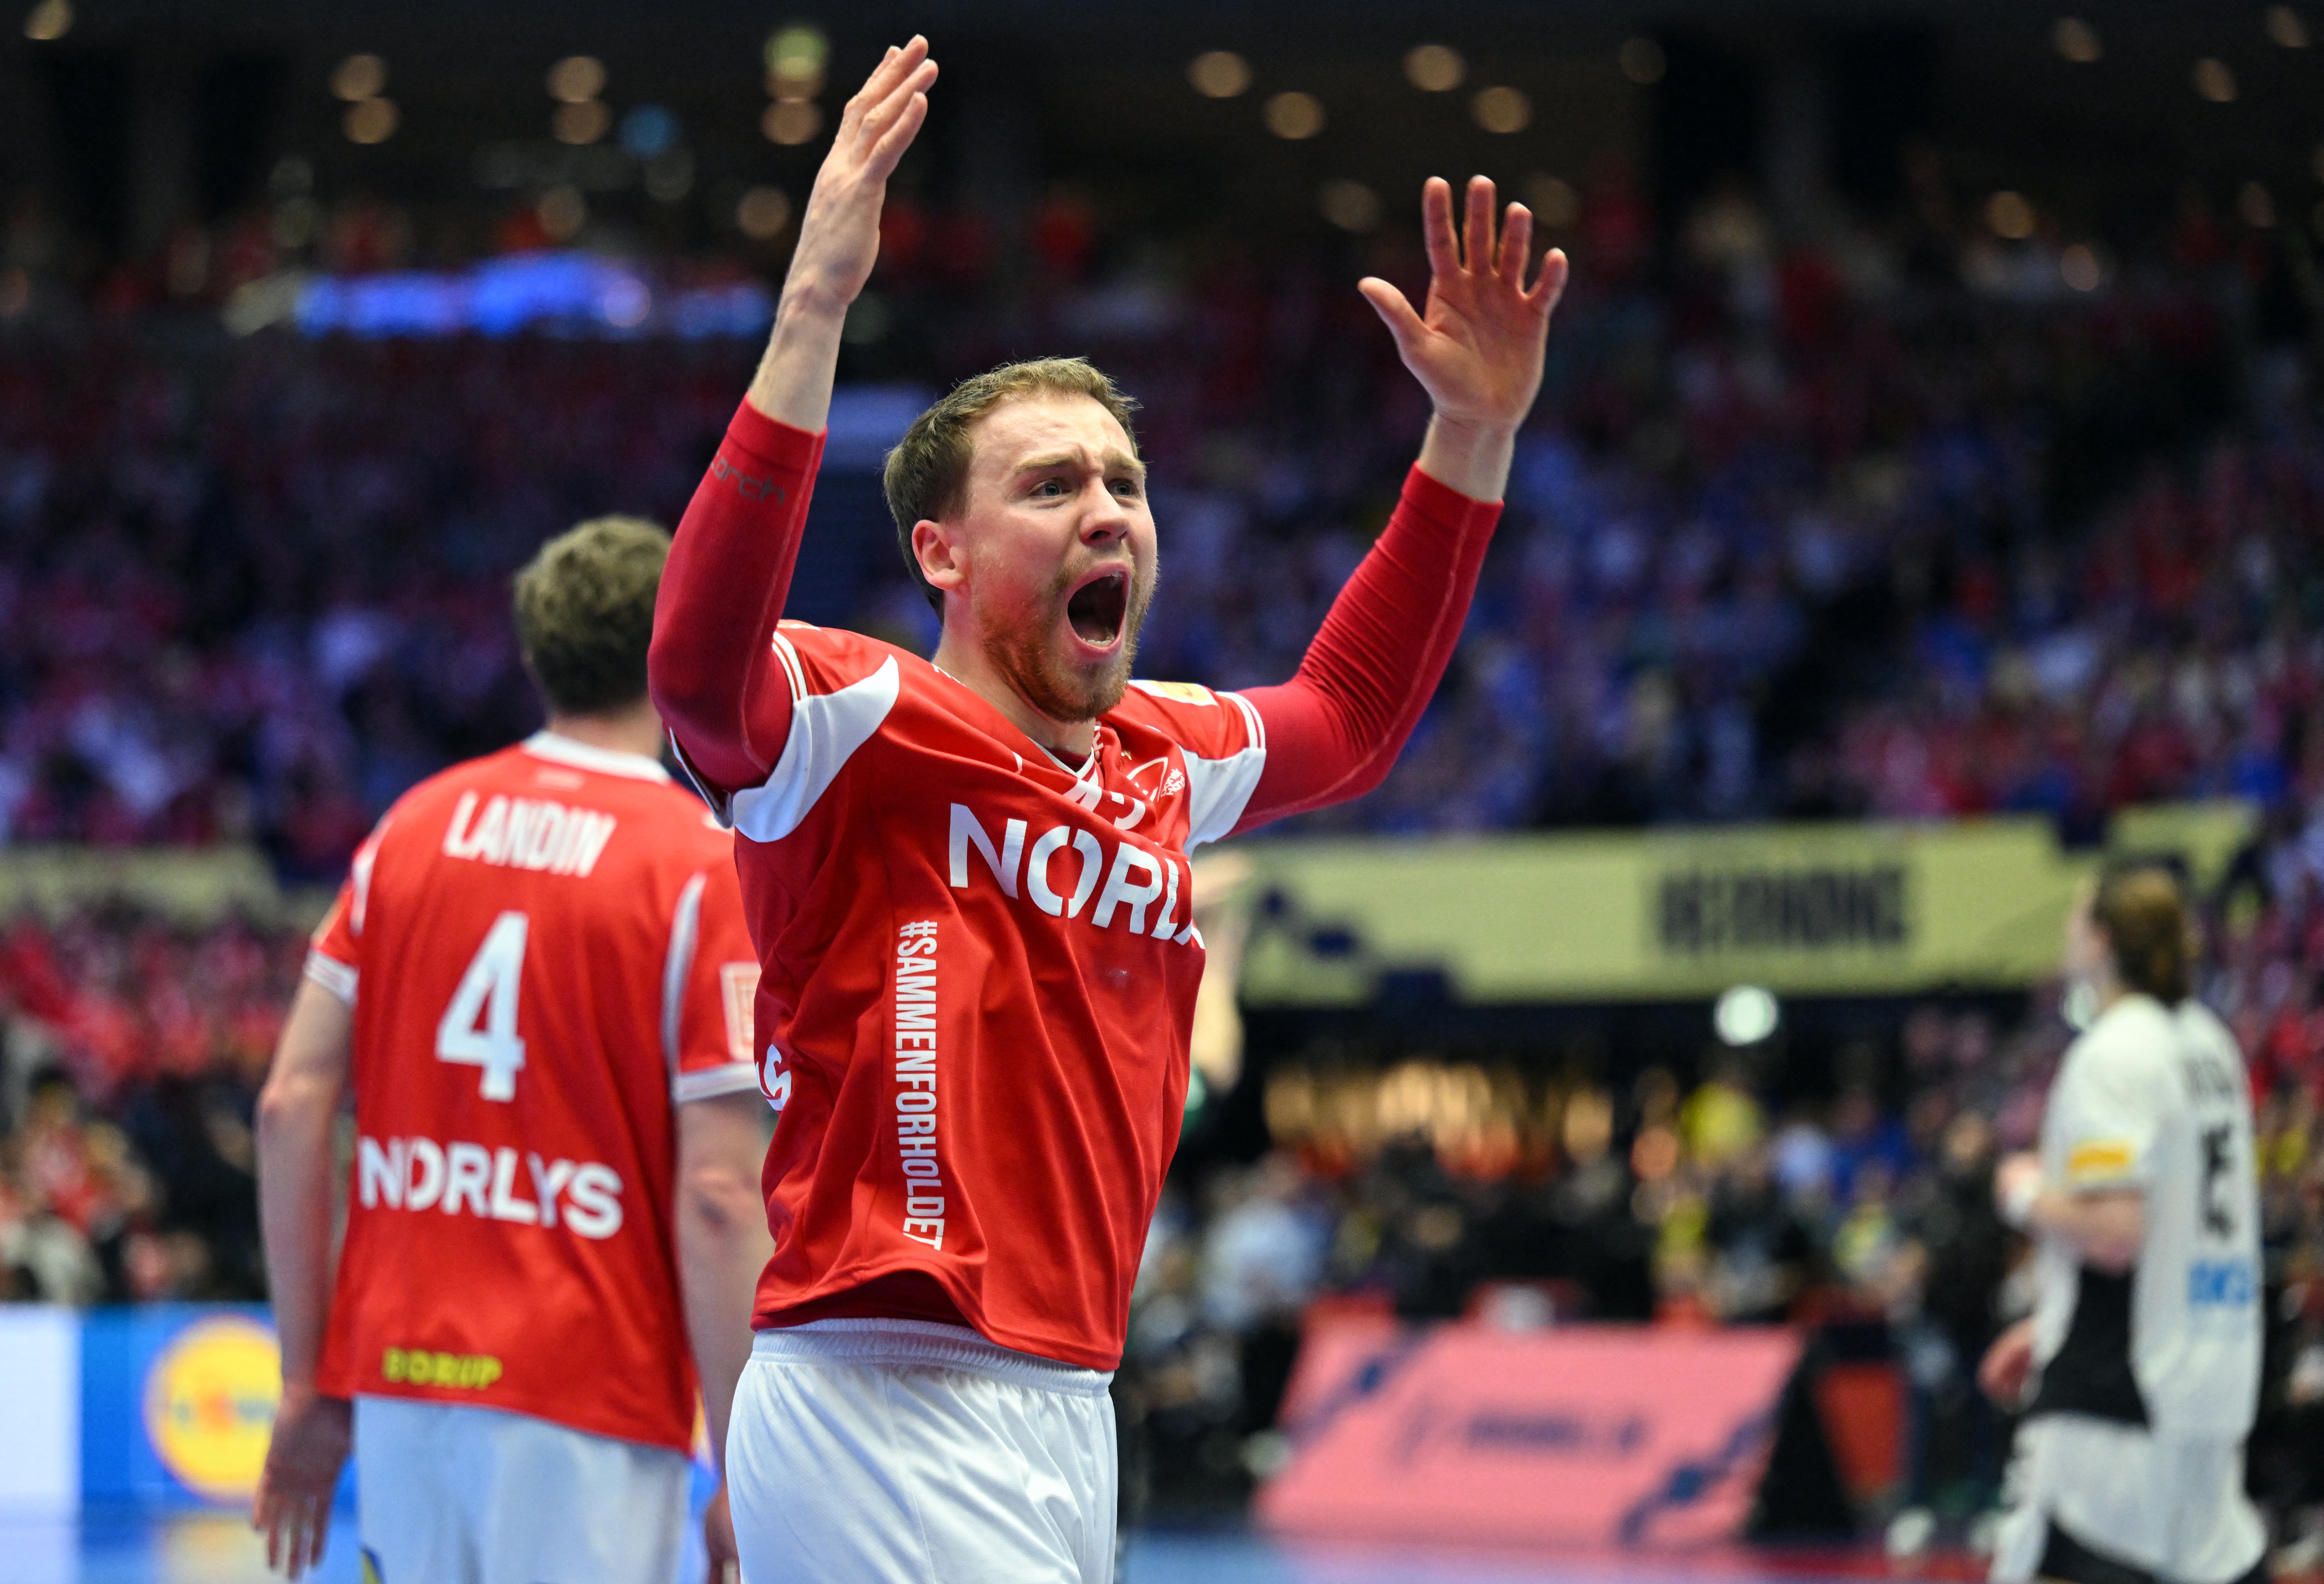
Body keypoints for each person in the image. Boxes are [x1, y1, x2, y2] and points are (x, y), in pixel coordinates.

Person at [648, 35, 1567, 1583]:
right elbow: (692, 671)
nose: (1108, 512)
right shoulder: (853, 721)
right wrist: (812, 306)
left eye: (1125, 483)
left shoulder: (1157, 753)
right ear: (940, 552)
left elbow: (1348, 719)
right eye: (1052, 484)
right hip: (879, 1380)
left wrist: (1469, 436)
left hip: (1072, 1396)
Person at [251, 518, 773, 1583]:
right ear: (682, 647)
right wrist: (745, 1463)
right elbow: (722, 1194)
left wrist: (308, 1382)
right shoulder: (698, 868)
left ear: (535, 655)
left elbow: (290, 1103)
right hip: (587, 1396)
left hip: (404, 1378)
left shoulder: (409, 828)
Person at [1979, 866, 2266, 1584]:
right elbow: (2179, 1219)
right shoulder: (2210, 1043)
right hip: (2212, 1372)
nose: (2066, 931)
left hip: (2121, 1389)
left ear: (2102, 941)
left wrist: (2022, 1193)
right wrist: (2051, 1321)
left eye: (2076, 918)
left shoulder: (2114, 1051)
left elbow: (2114, 1232)